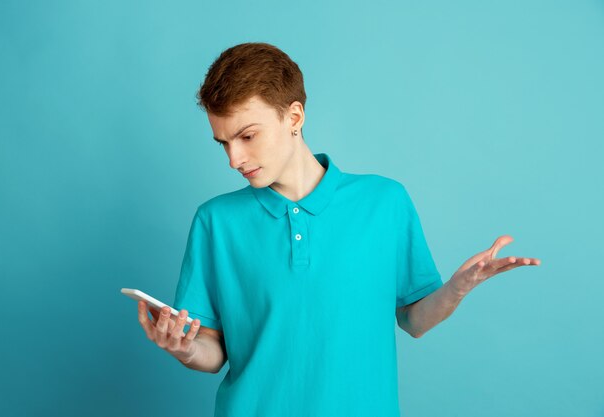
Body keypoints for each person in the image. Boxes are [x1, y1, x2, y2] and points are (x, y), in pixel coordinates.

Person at [137, 42, 541, 417]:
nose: (234, 159)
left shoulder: (384, 202)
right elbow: (213, 350)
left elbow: (415, 320)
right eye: (223, 143)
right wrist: (185, 348)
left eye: (247, 136)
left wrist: (456, 288)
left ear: (294, 117)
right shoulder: (216, 222)